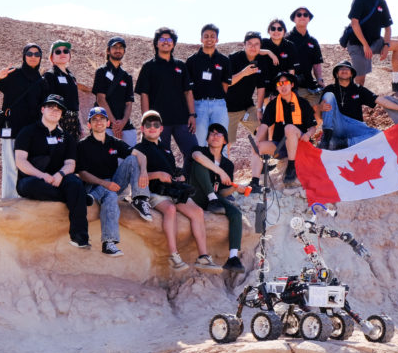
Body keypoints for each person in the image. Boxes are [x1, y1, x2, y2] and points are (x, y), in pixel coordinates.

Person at [134, 110, 220, 273]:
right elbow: (136, 176)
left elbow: (171, 171)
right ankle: (174, 256)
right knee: (170, 210)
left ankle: (203, 256)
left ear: (161, 129)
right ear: (142, 128)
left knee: (197, 212)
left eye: (156, 125)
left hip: (171, 190)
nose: (152, 127)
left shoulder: (166, 149)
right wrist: (158, 175)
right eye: (148, 125)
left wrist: (178, 177)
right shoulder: (138, 149)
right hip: (154, 192)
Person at [14, 94, 90, 248]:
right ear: (42, 109)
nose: (54, 111)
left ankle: (79, 237)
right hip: (33, 179)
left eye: (59, 109)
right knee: (32, 186)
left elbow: (70, 164)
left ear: (62, 114)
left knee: (75, 183)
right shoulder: (27, 132)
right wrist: (43, 176)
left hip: (58, 180)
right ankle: (76, 198)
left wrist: (59, 175)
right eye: (50, 107)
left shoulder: (66, 137)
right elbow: (20, 161)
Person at [76, 107, 153, 257]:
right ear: (89, 124)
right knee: (110, 195)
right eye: (95, 119)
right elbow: (82, 174)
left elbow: (141, 155)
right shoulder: (82, 145)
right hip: (93, 185)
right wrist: (105, 184)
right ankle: (108, 243)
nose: (99, 122)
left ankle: (140, 199)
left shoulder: (114, 142)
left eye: (102, 119)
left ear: (108, 122)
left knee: (132, 159)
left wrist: (143, 171)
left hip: (114, 182)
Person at [0, 43, 47, 199]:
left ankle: (24, 197)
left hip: (31, 130)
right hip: (11, 126)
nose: (33, 57)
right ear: (24, 56)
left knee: (27, 165)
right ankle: (9, 199)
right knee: (10, 164)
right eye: (30, 54)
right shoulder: (14, 74)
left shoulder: (42, 80)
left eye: (37, 54)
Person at [135, 27, 198, 175]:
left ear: (174, 44)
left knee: (194, 153)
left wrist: (192, 115)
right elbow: (144, 95)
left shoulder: (180, 66)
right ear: (156, 43)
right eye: (162, 39)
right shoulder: (149, 66)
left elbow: (188, 92)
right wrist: (146, 120)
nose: (165, 42)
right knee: (160, 157)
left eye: (169, 39)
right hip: (158, 122)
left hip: (182, 119)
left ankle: (187, 183)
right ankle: (165, 189)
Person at [190, 124, 249, 273]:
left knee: (236, 214)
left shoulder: (228, 164)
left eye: (219, 134)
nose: (215, 136)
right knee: (200, 164)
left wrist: (235, 188)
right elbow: (196, 157)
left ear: (225, 141)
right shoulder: (200, 151)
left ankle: (233, 257)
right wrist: (220, 172)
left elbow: (221, 192)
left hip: (214, 199)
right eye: (212, 133)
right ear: (207, 138)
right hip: (195, 194)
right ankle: (212, 199)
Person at [318, 60, 398, 150]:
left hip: (354, 126)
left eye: (347, 68)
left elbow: (381, 101)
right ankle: (326, 138)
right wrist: (319, 108)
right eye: (341, 68)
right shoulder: (329, 88)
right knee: (328, 96)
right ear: (336, 73)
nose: (344, 71)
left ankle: (342, 143)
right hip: (336, 125)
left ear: (351, 73)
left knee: (378, 135)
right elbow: (318, 114)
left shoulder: (358, 89)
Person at [250, 72, 317, 191]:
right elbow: (264, 126)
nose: (283, 86)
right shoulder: (273, 105)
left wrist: (308, 134)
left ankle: (291, 167)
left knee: (289, 128)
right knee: (256, 147)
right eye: (279, 84)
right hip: (280, 147)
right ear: (276, 87)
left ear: (291, 85)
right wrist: (257, 142)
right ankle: (254, 182)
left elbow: (313, 127)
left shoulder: (302, 103)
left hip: (301, 145)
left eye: (286, 82)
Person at [345, 0, 398, 89]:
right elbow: (354, 23)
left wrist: (386, 45)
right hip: (358, 43)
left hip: (374, 42)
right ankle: (352, 102)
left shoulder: (382, 3)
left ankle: (397, 81)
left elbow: (388, 28)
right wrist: (365, 45)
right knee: (360, 80)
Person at [186, 24, 231, 147]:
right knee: (199, 142)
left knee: (220, 141)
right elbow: (187, 88)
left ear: (217, 39)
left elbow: (225, 84)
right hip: (199, 105)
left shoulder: (224, 60)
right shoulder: (192, 61)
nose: (209, 39)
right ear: (201, 39)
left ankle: (220, 166)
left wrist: (217, 98)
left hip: (219, 105)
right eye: (206, 36)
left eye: (212, 36)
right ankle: (200, 166)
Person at [226, 31, 270, 145]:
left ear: (260, 47)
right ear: (244, 44)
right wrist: (243, 73)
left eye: (256, 44)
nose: (253, 47)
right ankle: (224, 163)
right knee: (227, 143)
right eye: (250, 43)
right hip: (229, 108)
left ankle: (265, 160)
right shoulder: (233, 58)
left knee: (263, 130)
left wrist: (259, 109)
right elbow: (227, 82)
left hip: (247, 107)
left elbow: (261, 88)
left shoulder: (262, 62)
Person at [92, 36, 136, 147]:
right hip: (105, 124)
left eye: (121, 47)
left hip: (124, 126)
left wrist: (123, 122)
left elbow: (129, 103)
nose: (118, 50)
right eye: (114, 47)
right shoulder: (101, 71)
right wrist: (113, 123)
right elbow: (100, 99)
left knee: (130, 158)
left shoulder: (127, 76)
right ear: (108, 50)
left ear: (124, 51)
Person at [43, 40, 82, 138]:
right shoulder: (49, 75)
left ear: (69, 55)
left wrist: (80, 124)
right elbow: (48, 102)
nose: (62, 53)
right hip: (58, 121)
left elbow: (76, 102)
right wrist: (55, 125)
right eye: (58, 51)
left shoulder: (72, 76)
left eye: (65, 51)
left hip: (74, 122)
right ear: (52, 57)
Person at [287, 6, 325, 100]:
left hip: (309, 84)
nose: (302, 16)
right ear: (294, 19)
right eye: (299, 14)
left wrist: (320, 80)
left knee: (322, 106)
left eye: (305, 14)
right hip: (288, 86)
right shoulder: (285, 39)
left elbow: (316, 64)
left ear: (309, 19)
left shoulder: (313, 41)